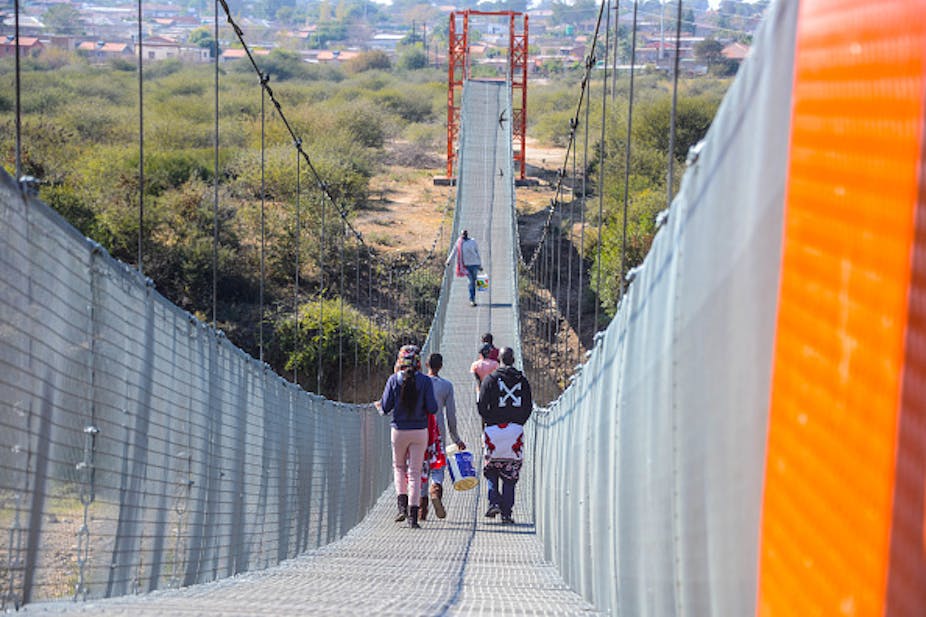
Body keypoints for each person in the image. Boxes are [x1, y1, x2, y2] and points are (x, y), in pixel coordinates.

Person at [377, 345, 438, 528]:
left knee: (399, 468)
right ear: (419, 362)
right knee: (415, 473)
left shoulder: (393, 380)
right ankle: (413, 517)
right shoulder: (426, 381)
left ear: (400, 361)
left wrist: (378, 406)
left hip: (399, 431)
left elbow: (386, 407)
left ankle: (401, 508)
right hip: (420, 431)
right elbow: (433, 408)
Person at [477, 347, 533, 525]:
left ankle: (493, 501)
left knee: (491, 468)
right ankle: (507, 514)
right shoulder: (522, 381)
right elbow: (528, 406)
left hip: (493, 430)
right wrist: (518, 423)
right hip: (515, 431)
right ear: (514, 360)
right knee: (510, 473)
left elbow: (481, 405)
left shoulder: (490, 379)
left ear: (499, 360)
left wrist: (490, 421)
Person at [419, 352, 465, 520]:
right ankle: (435, 489)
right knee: (437, 465)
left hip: (418, 429)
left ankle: (421, 510)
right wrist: (456, 438)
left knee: (421, 466)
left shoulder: (418, 382)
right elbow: (451, 415)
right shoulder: (446, 386)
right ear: (441, 366)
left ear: (426, 364)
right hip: (437, 433)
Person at [448, 229, 482, 306]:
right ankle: (472, 300)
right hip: (466, 266)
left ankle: (473, 297)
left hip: (475, 264)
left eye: (465, 234)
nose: (463, 236)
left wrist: (480, 264)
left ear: (467, 234)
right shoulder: (459, 243)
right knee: (471, 282)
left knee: (474, 281)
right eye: (462, 234)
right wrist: (448, 261)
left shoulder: (473, 241)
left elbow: (477, 252)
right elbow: (454, 251)